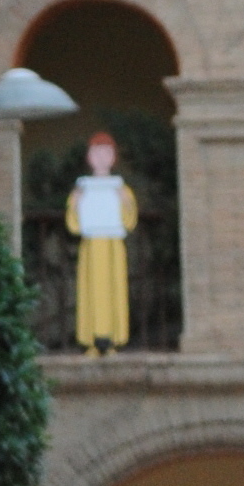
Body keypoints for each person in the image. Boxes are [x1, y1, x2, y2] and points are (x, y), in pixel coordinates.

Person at [66, 131, 137, 353]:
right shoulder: (81, 189)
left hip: (113, 247)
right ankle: (92, 340)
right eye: (96, 153)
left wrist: (125, 202)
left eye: (106, 153)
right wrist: (76, 203)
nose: (101, 158)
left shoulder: (121, 189)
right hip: (91, 247)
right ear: (89, 157)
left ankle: (113, 340)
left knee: (113, 290)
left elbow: (130, 221)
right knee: (92, 292)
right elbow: (73, 223)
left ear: (113, 157)